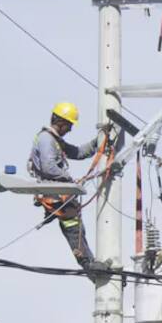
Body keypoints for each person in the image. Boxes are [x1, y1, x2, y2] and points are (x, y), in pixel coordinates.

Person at [28, 101, 105, 277]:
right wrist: (69, 180)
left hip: (59, 192)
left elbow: (77, 152)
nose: (70, 129)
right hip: (53, 192)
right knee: (73, 227)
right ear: (61, 122)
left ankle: (90, 264)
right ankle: (89, 265)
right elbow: (48, 167)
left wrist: (98, 142)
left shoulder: (55, 140)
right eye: (69, 125)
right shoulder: (46, 139)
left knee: (75, 226)